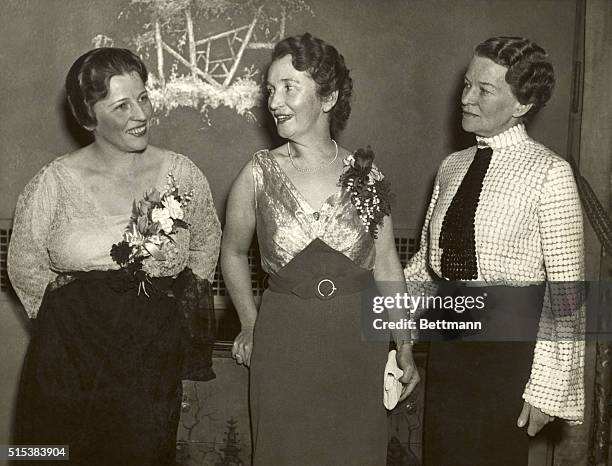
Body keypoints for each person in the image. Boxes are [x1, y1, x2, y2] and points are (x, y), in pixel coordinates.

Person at [8, 47, 221, 465]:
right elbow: (24, 264)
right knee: (52, 456)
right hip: (68, 361)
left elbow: (205, 242)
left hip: (149, 364)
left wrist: (174, 311)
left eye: (143, 97)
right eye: (122, 104)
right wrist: (72, 317)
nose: (140, 114)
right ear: (88, 115)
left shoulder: (181, 173)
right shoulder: (54, 182)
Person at [221, 33, 420, 466]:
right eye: (271, 89)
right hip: (285, 341)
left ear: (327, 97)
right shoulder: (257, 173)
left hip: (357, 345)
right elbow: (233, 253)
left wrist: (403, 343)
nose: (275, 101)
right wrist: (251, 324)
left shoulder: (367, 176)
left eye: (290, 87)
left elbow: (387, 264)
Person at [403, 36, 585, 466]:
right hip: (449, 343)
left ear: (521, 103)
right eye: (466, 85)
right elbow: (425, 271)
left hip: (508, 352)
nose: (466, 98)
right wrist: (398, 337)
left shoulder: (550, 173)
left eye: (484, 90)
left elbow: (566, 293)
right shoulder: (451, 167)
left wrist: (547, 388)